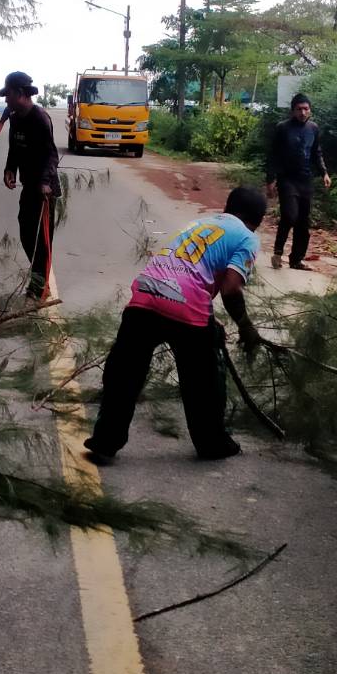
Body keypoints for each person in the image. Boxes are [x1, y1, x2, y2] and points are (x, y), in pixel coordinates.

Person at [84, 186, 267, 465]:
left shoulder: (200, 223)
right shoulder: (247, 237)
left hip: (146, 293)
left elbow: (187, 268)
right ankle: (213, 443)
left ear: (228, 207)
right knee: (203, 381)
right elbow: (231, 289)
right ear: (258, 220)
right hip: (185, 305)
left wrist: (208, 316)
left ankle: (104, 442)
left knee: (124, 374)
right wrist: (246, 327)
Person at [0, 70, 60, 299]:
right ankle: (39, 277)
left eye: (9, 95)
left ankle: (39, 288)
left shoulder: (40, 118)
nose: (6, 99)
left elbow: (51, 155)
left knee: (42, 240)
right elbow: (14, 148)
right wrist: (9, 169)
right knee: (25, 232)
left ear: (20, 94)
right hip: (28, 185)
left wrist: (45, 182)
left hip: (45, 188)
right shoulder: (14, 117)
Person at [265, 92, 330, 271]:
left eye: (306, 109)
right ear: (293, 111)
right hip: (287, 179)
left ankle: (296, 259)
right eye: (299, 109)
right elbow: (273, 155)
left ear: (310, 110)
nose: (302, 112)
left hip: (305, 180)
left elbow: (317, 152)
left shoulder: (313, 128)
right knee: (289, 215)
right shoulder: (282, 128)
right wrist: (270, 180)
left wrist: (324, 172)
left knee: (303, 221)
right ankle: (278, 252)